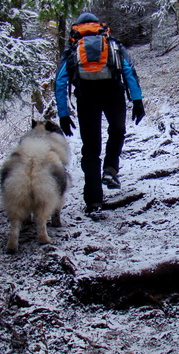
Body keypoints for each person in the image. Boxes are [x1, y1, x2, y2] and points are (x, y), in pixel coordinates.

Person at [55, 12, 145, 216]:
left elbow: (60, 81)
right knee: (117, 130)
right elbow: (129, 71)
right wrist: (137, 100)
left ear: (77, 27)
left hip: (86, 97)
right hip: (113, 92)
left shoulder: (73, 48)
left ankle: (94, 201)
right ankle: (111, 169)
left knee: (91, 148)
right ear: (99, 25)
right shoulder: (111, 43)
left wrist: (63, 113)